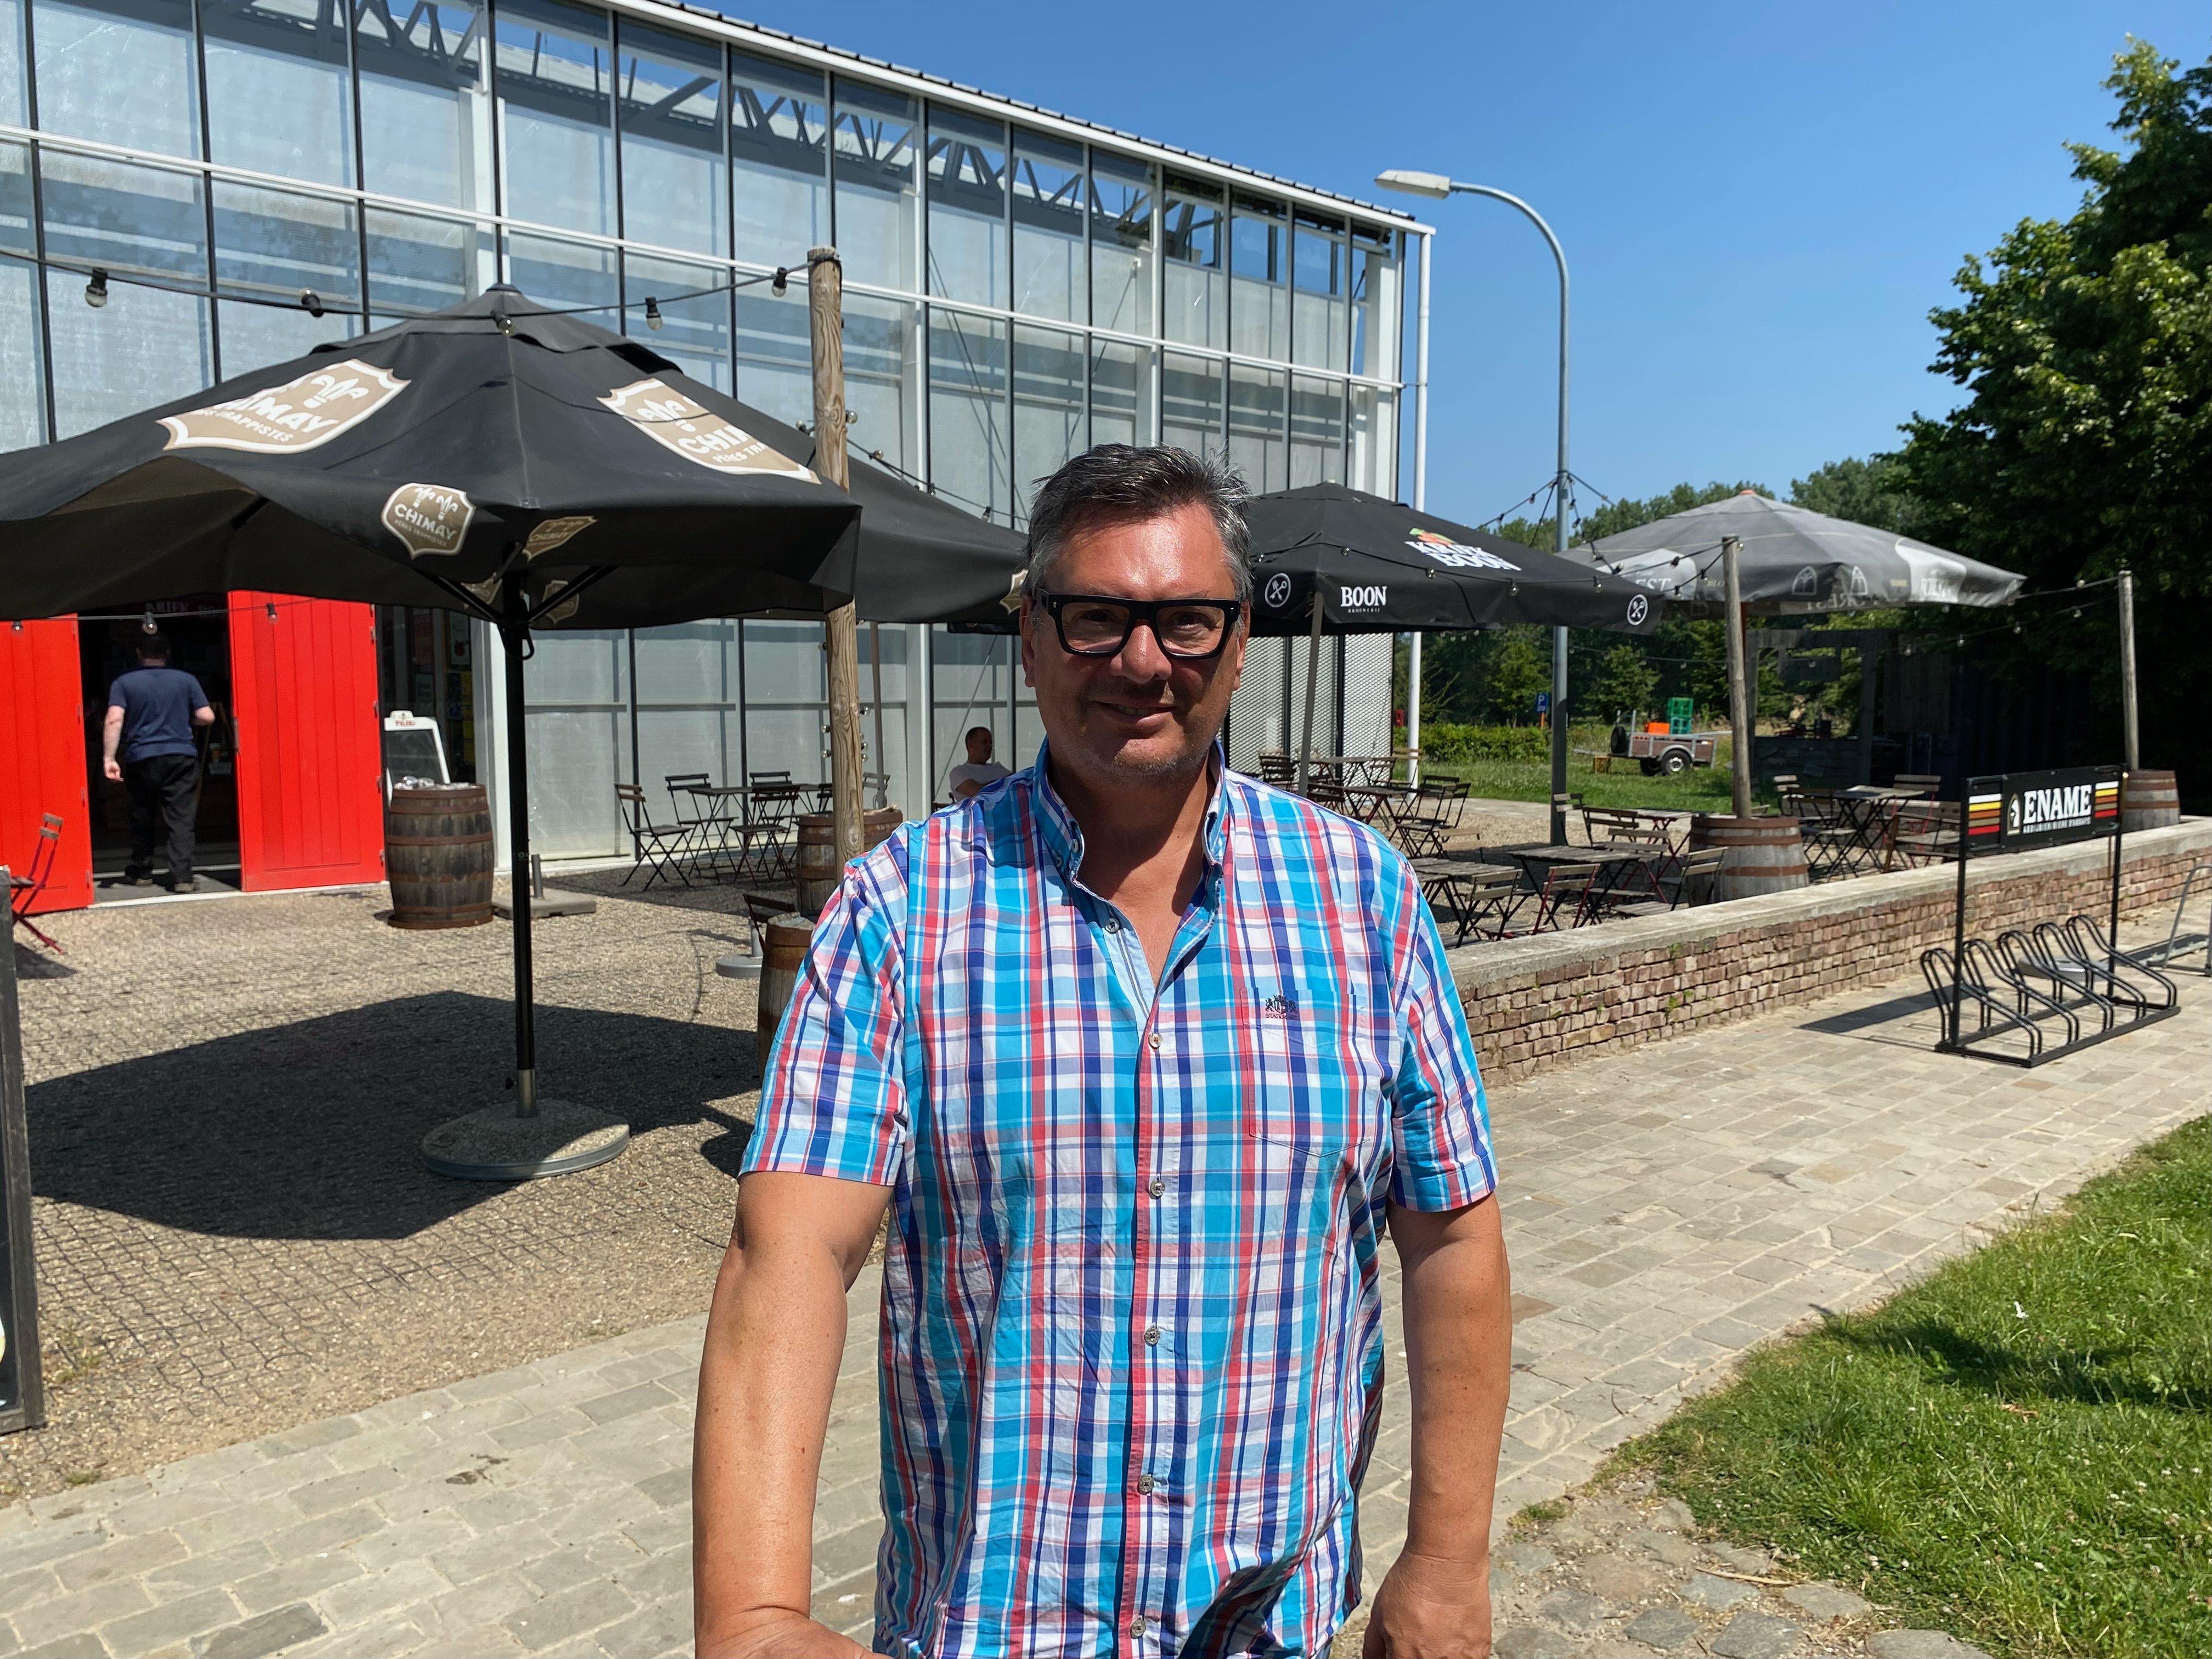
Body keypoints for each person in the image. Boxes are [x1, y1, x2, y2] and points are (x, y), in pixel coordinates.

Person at [695, 445, 1510, 1659]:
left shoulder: (1362, 897)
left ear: (1240, 640)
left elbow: (1452, 1237)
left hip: (1269, 1623)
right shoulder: (902, 909)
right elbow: (788, 1250)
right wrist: (753, 1614)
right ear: (1030, 637)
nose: (1141, 660)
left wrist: (1445, 1557)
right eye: (1094, 617)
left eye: (1185, 619)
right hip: (992, 1625)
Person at [103, 633, 214, 893]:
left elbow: (114, 719)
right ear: (167, 654)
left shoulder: (124, 682)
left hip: (143, 757)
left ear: (139, 653)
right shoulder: (187, 680)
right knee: (181, 819)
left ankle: (142, 872)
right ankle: (183, 877)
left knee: (142, 815)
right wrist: (185, 721)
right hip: (181, 755)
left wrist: (109, 758)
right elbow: (207, 716)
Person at [945, 724, 1012, 801]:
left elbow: (1018, 784)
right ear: (970, 745)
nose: (989, 746)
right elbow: (978, 792)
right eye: (985, 742)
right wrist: (1005, 784)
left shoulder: (998, 768)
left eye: (991, 743)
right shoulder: (959, 772)